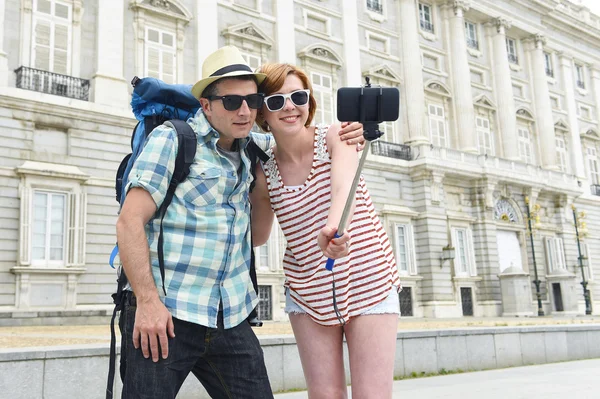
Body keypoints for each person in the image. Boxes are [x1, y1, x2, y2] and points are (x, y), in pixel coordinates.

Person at [115, 46, 364, 398]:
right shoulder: (172, 139)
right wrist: (147, 301)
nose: (245, 110)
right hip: (167, 313)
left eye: (253, 100)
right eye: (232, 102)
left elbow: (296, 133)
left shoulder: (254, 146)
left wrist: (347, 133)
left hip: (229, 316)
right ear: (207, 105)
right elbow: (129, 222)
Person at [250, 63, 402, 399]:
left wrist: (333, 229)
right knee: (324, 395)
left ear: (309, 102)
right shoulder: (263, 172)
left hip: (367, 278)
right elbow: (258, 237)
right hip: (307, 289)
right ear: (262, 113)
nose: (289, 106)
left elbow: (342, 187)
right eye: (276, 101)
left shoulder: (336, 135)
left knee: (372, 394)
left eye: (298, 97)